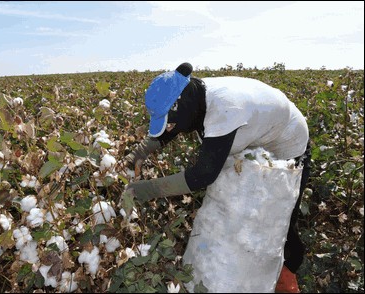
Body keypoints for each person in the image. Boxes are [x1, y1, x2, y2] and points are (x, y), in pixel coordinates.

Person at [121, 62, 311, 293]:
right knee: (235, 213)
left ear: (182, 106)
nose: (170, 126)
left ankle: (287, 277)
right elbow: (174, 124)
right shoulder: (194, 96)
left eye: (170, 120)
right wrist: (138, 154)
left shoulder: (224, 109)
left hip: (287, 147)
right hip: (257, 137)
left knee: (278, 222)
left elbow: (202, 176)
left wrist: (142, 190)